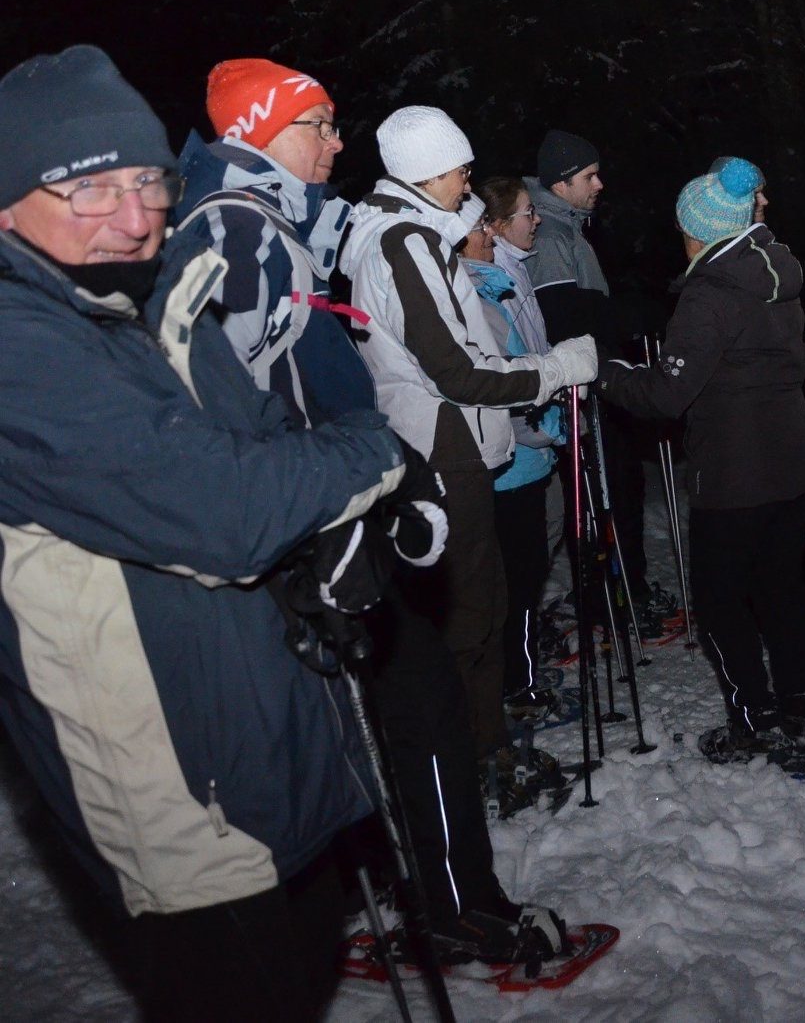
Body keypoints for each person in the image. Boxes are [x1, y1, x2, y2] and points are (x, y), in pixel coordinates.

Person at [0, 45, 412, 1020]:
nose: (135, 216)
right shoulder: (20, 343)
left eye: (147, 180)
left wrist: (317, 537)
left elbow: (257, 456)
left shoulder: (130, 302)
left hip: (255, 737)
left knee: (304, 970)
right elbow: (224, 510)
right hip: (175, 785)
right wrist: (371, 454)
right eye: (89, 188)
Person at [177, 67, 567, 961]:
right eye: (319, 123)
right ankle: (439, 907)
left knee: (405, 707)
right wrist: (317, 520)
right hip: (310, 528)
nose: (338, 140)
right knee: (406, 706)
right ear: (263, 130)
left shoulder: (284, 218)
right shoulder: (237, 233)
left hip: (350, 504)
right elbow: (238, 406)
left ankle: (438, 897)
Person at [340, 106, 597, 757]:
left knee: (478, 605)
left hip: (455, 443)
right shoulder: (402, 244)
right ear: (428, 173)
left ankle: (484, 747)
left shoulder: (410, 233)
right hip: (444, 446)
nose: (467, 182)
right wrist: (553, 370)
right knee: (467, 616)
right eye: (459, 170)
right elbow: (456, 372)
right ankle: (471, 759)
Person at [597, 157, 805, 760]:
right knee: (780, 590)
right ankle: (804, 709)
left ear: (699, 231)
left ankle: (754, 720)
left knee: (722, 601)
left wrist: (607, 373)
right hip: (792, 463)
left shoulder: (711, 294)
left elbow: (666, 395)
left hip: (734, 472)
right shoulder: (775, 273)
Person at [523, 130, 668, 628]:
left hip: (593, 379)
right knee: (605, 489)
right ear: (561, 184)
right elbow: (562, 313)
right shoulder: (548, 234)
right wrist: (625, 316)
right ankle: (610, 595)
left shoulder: (567, 227)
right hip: (574, 388)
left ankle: (626, 587)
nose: (600, 184)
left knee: (620, 483)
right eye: (589, 176)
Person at [465, 176, 565, 720]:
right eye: (480, 227)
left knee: (520, 575)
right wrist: (551, 426)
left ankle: (516, 676)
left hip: (519, 464)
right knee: (516, 577)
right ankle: (515, 685)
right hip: (509, 467)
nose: (487, 235)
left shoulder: (494, 287)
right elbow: (506, 381)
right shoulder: (479, 298)